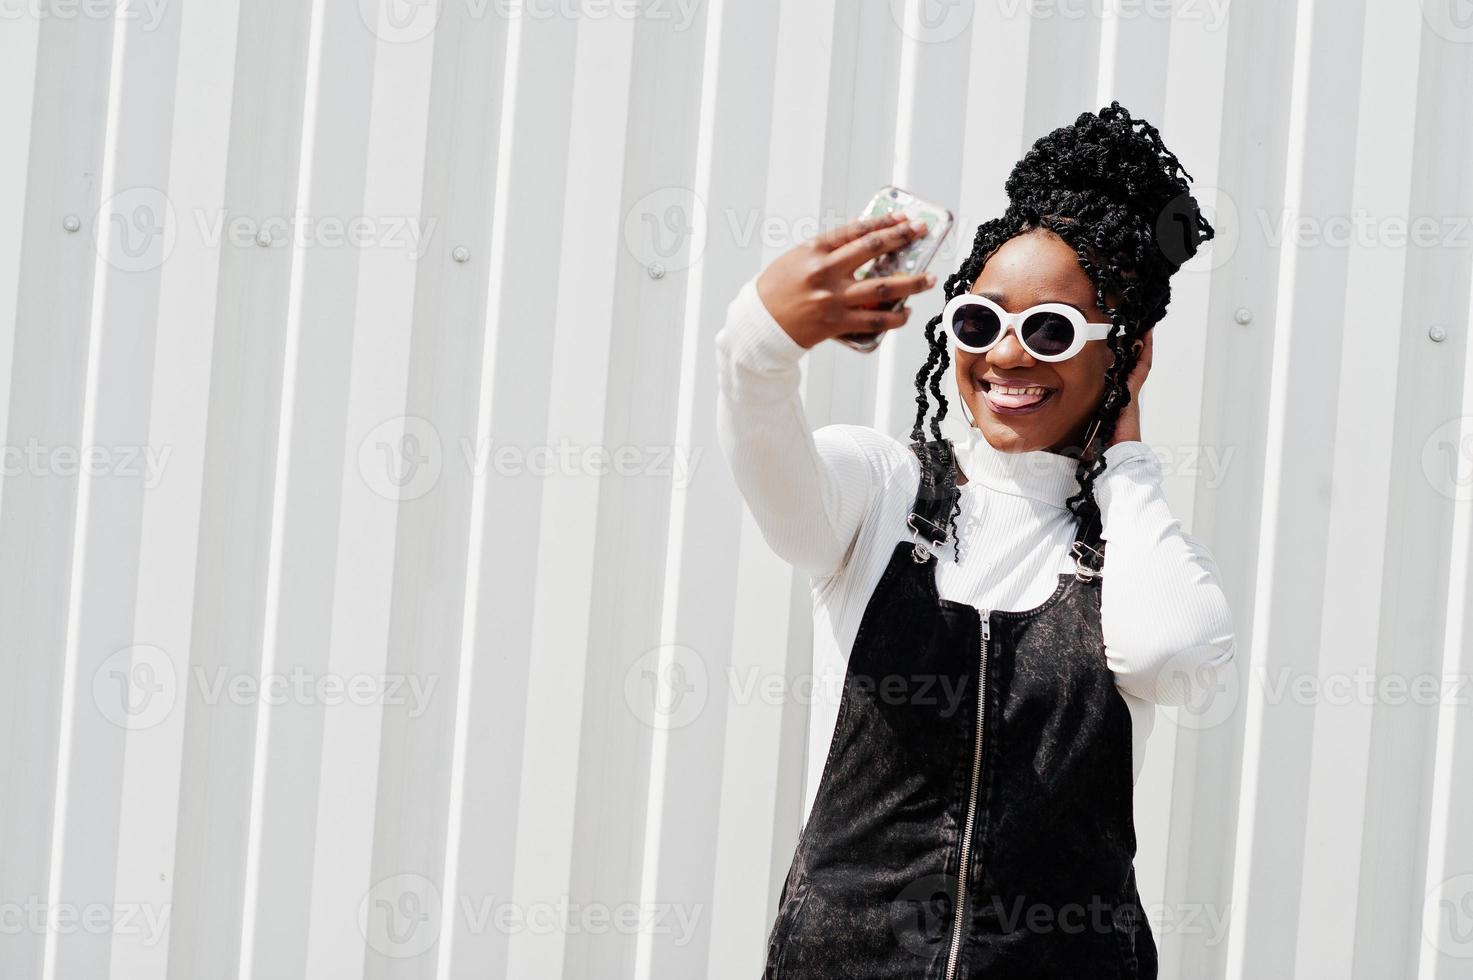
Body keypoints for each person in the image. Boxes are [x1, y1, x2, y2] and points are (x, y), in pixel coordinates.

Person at [714, 102, 1236, 979]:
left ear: (1128, 354)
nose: (1006, 357)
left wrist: (1127, 457)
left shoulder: (1132, 548)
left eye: (1050, 330)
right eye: (979, 321)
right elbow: (778, 492)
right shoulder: (880, 490)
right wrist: (758, 343)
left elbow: (1169, 647)